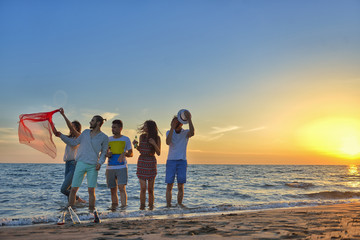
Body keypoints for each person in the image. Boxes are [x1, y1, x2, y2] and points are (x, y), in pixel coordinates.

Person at [53, 114, 108, 210]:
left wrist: (100, 163)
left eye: (92, 120)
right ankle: (71, 211)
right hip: (80, 163)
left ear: (98, 123)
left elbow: (104, 152)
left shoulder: (104, 137)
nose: (90, 122)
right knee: (73, 189)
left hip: (93, 166)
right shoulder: (85, 133)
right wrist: (61, 135)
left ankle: (92, 213)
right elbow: (74, 142)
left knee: (91, 190)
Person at [54, 108, 85, 203]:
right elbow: (57, 134)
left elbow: (70, 142)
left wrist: (63, 115)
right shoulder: (69, 137)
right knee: (70, 189)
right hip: (67, 165)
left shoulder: (79, 137)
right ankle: (71, 209)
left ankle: (79, 200)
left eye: (73, 127)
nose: (71, 128)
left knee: (64, 189)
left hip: (74, 165)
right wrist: (51, 123)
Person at [165, 110, 194, 208]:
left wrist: (189, 119)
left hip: (182, 161)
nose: (174, 124)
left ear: (181, 124)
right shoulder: (169, 132)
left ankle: (179, 205)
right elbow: (168, 142)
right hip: (171, 161)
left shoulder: (185, 133)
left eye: (176, 122)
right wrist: (172, 128)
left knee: (180, 186)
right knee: (169, 185)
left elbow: (192, 133)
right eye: (173, 122)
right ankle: (168, 206)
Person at [133, 120, 161, 210]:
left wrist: (154, 143)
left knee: (150, 189)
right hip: (142, 162)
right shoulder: (142, 137)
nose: (144, 128)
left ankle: (151, 207)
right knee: (143, 188)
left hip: (151, 162)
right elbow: (140, 149)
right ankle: (142, 207)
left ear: (150, 128)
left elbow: (158, 152)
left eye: (145, 126)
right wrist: (135, 145)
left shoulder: (157, 138)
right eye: (144, 126)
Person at [105, 120, 133, 209]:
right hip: (110, 168)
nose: (112, 129)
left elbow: (131, 154)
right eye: (112, 127)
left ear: (120, 128)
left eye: (115, 127)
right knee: (113, 190)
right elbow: (105, 153)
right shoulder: (108, 139)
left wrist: (124, 153)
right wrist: (107, 154)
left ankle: (123, 209)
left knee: (121, 188)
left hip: (122, 167)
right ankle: (114, 210)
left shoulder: (126, 139)